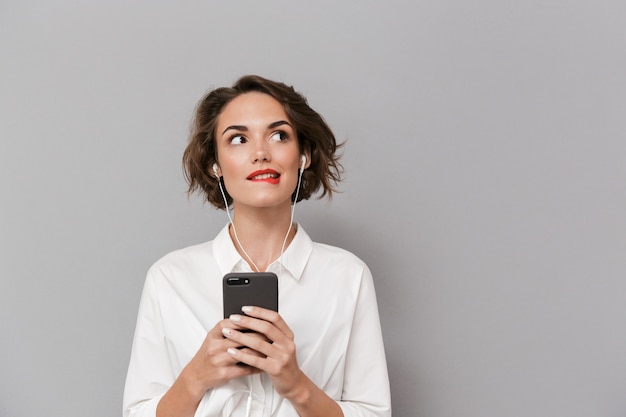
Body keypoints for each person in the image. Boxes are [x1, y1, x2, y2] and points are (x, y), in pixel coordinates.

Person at [123, 75, 391, 417]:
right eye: (238, 139)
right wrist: (195, 377)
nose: (261, 153)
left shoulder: (347, 276)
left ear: (303, 155)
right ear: (214, 164)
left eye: (279, 135)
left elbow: (373, 412)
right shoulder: (170, 278)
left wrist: (296, 385)